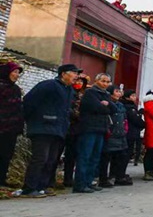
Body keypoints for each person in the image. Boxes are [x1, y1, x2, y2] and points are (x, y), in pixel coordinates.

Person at [18, 64, 78, 197]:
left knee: (51, 160)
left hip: (58, 129)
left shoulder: (69, 90)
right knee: (40, 158)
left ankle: (42, 186)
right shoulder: (48, 85)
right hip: (42, 127)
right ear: (63, 74)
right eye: (74, 73)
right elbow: (29, 102)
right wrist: (33, 120)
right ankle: (29, 188)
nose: (76, 76)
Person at [74, 73, 114, 193]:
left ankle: (89, 181)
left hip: (101, 129)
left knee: (95, 158)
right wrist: (105, 107)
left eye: (107, 82)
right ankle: (80, 184)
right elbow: (97, 108)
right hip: (89, 128)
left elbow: (113, 109)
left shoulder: (106, 95)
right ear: (97, 81)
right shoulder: (90, 93)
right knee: (85, 156)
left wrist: (106, 106)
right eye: (103, 81)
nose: (105, 84)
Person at [99, 85, 132, 187]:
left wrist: (125, 129)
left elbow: (125, 119)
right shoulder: (106, 104)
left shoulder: (121, 106)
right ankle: (103, 179)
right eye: (116, 91)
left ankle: (119, 177)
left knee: (122, 157)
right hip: (110, 134)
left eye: (119, 91)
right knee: (106, 158)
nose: (119, 93)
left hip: (121, 134)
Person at [0, 62, 24, 187]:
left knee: (6, 155)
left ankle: (2, 180)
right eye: (14, 72)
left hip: (11, 129)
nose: (17, 75)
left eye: (18, 72)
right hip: (2, 127)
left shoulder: (15, 89)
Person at [123, 90, 144, 166]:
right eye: (132, 96)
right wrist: (144, 124)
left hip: (133, 132)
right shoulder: (129, 107)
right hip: (129, 132)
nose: (135, 97)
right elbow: (135, 119)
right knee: (126, 152)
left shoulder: (133, 106)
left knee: (129, 151)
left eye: (135, 95)